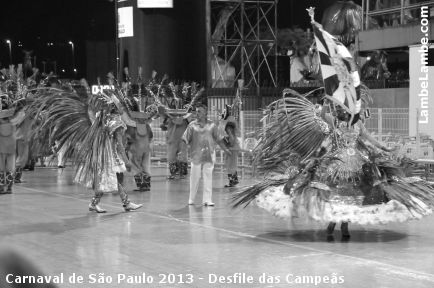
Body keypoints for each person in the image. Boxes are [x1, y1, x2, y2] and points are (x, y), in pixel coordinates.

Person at [182, 104, 231, 206]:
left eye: (199, 111)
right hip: (196, 155)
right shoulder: (192, 125)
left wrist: (225, 150)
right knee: (194, 177)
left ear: (205, 113)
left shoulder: (212, 125)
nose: (197, 113)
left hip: (209, 154)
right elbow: (185, 139)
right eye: (196, 111)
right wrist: (182, 153)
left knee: (208, 177)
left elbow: (219, 139)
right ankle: (191, 198)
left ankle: (207, 200)